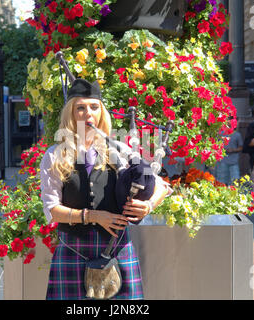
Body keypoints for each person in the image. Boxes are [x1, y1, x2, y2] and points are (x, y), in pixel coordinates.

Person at [40, 79, 171, 300]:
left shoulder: (119, 150)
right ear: (70, 113)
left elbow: (161, 185)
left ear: (102, 112)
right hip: (73, 251)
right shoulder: (55, 155)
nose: (87, 113)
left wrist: (148, 205)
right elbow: (52, 209)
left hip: (117, 252)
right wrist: (93, 216)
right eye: (80, 107)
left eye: (94, 107)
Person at [215, 121, 243, 185]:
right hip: (222, 162)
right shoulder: (221, 134)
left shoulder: (237, 134)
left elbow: (241, 147)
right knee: (221, 182)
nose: (230, 122)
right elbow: (216, 146)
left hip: (234, 162)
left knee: (235, 183)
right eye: (229, 120)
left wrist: (233, 150)